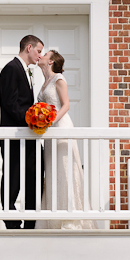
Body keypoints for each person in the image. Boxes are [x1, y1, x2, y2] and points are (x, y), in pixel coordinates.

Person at [35, 50, 94, 230]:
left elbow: (66, 105)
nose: (41, 55)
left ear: (51, 61)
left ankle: (71, 218)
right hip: (49, 131)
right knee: (52, 171)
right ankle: (52, 217)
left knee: (64, 168)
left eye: (45, 54)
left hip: (61, 127)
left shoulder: (59, 79)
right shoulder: (45, 83)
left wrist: (50, 120)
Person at [0, 35, 44, 229]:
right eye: (38, 51)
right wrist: (32, 120)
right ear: (29, 47)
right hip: (15, 136)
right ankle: (12, 221)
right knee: (12, 178)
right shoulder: (11, 69)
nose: (40, 56)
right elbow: (10, 104)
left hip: (29, 135)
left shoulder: (26, 71)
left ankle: (31, 222)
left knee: (35, 175)